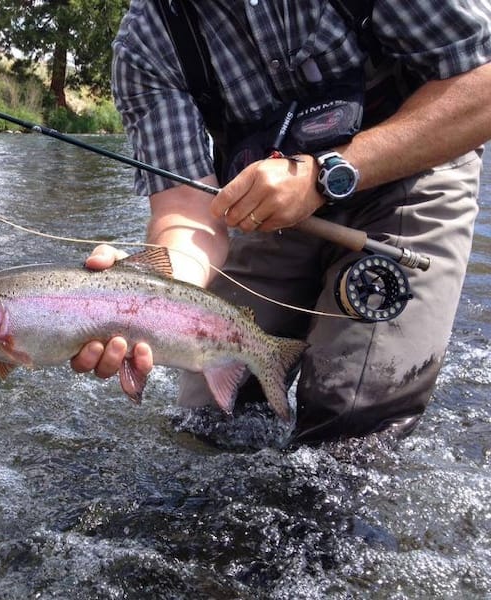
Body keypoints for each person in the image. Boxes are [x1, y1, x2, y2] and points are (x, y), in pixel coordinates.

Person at [70, 0, 491, 443]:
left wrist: (324, 174)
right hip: (272, 209)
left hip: (415, 168)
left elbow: (481, 85)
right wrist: (149, 289)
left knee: (347, 421)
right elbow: (187, 211)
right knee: (209, 419)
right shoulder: (147, 40)